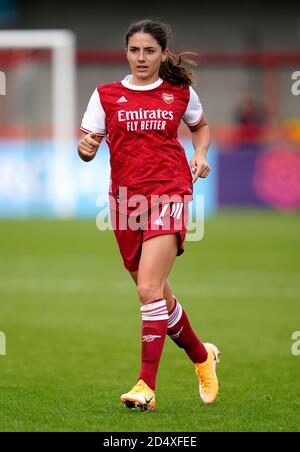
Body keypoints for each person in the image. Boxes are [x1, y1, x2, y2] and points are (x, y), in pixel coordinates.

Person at [78, 19, 220, 411]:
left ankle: (145, 385)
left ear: (161, 54)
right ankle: (201, 357)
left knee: (147, 291)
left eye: (149, 51)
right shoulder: (105, 95)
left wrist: (201, 153)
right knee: (158, 295)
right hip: (124, 203)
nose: (141, 58)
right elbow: (86, 146)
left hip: (169, 194)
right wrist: (86, 148)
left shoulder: (179, 92)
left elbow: (201, 127)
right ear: (126, 52)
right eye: (135, 50)